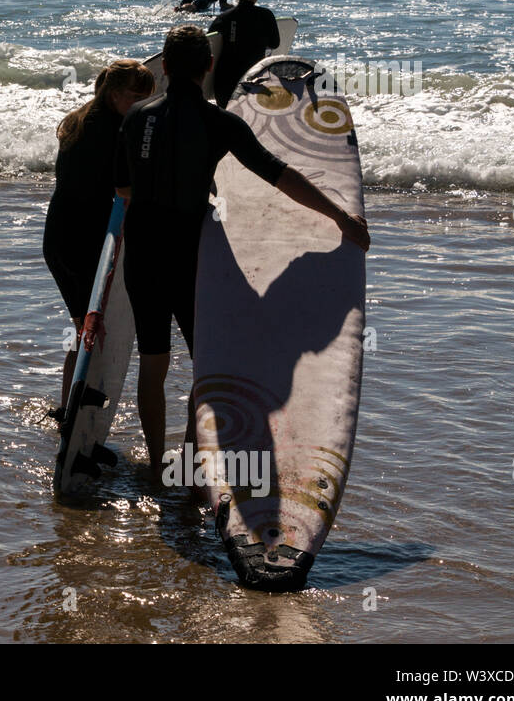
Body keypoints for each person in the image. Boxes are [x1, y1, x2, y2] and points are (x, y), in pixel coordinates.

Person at [113, 25, 369, 480]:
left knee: (153, 361)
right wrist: (340, 217)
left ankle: (155, 468)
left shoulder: (135, 117)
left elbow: (124, 188)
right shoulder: (220, 123)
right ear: (209, 67)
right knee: (204, 364)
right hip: (191, 260)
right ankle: (191, 473)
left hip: (143, 253)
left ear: (165, 68)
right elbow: (279, 174)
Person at [44, 60, 155, 424]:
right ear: (115, 94)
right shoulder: (111, 130)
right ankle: (75, 409)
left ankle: (68, 408)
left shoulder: (82, 117)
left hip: (59, 236)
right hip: (81, 239)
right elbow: (124, 189)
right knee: (93, 329)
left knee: (84, 327)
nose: (141, 105)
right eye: (137, 99)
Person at [208, 0, 280, 107]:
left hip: (224, 86)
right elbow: (275, 43)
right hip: (253, 83)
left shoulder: (223, 18)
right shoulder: (265, 16)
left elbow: (210, 44)